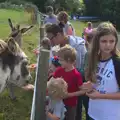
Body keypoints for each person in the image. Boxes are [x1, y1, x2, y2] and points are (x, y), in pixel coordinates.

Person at [84, 22, 120, 120]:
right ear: (97, 41)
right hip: (93, 113)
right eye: (104, 41)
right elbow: (95, 82)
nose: (108, 45)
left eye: (111, 41)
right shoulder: (93, 59)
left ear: (116, 42)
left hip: (110, 116)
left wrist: (100, 95)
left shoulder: (117, 63)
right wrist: (89, 86)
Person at [53, 45, 85, 120]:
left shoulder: (76, 75)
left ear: (69, 60)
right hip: (58, 102)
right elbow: (52, 82)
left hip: (70, 105)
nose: (59, 62)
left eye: (61, 60)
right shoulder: (59, 71)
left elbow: (82, 91)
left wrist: (69, 95)